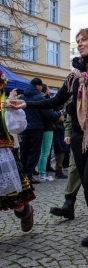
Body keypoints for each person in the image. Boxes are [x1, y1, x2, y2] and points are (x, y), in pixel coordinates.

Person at [4, 28, 88, 253]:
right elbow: (56, 101)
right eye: (78, 41)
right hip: (79, 133)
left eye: (84, 40)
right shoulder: (75, 74)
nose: (80, 44)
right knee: (86, 182)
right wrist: (26, 104)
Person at [0, 71, 35, 232]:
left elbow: (17, 127)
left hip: (3, 155)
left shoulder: (4, 104)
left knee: (14, 199)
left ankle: (26, 212)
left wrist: (12, 108)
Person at [19, 78, 59, 184]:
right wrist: (58, 114)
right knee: (34, 151)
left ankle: (23, 174)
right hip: (36, 127)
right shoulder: (38, 98)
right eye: (41, 86)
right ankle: (29, 174)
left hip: (24, 127)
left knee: (24, 151)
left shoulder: (22, 97)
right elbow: (48, 114)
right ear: (38, 86)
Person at [37, 84, 62, 182]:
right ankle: (42, 173)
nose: (49, 90)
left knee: (42, 151)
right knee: (45, 152)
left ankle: (41, 171)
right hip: (48, 127)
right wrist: (59, 113)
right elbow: (49, 114)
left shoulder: (40, 99)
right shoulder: (46, 100)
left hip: (42, 127)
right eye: (48, 89)